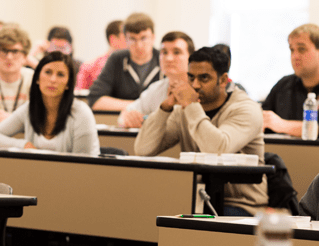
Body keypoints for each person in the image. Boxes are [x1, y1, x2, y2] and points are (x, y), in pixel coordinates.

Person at [135, 46, 267, 216]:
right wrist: (165, 108)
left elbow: (217, 149)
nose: (195, 85)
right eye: (191, 77)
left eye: (204, 78)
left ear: (223, 80)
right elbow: (143, 150)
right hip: (194, 200)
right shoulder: (185, 110)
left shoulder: (246, 109)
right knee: (145, 214)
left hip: (241, 206)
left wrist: (191, 105)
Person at [0, 51, 100, 155]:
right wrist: (24, 145)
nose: (53, 79)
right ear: (38, 78)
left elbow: (82, 166)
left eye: (60, 74)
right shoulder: (29, 108)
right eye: (48, 72)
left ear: (68, 84)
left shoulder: (81, 113)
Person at [118, 31, 194, 128]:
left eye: (176, 52)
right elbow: (124, 115)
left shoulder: (199, 88)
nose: (169, 58)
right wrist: (128, 118)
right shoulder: (156, 89)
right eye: (164, 52)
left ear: (191, 57)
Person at [88, 12, 161, 111]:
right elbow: (95, 99)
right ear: (125, 39)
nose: (139, 45)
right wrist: (139, 106)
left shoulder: (163, 59)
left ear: (153, 37)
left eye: (143, 38)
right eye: (132, 39)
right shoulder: (117, 59)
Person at [262, 24, 319, 137]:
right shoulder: (283, 85)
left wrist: (283, 125)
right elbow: (263, 122)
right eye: (292, 50)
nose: (295, 56)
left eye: (302, 49)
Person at [76, 20, 127, 90]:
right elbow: (80, 95)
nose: (130, 41)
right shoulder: (89, 68)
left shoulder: (135, 65)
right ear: (113, 39)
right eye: (126, 36)